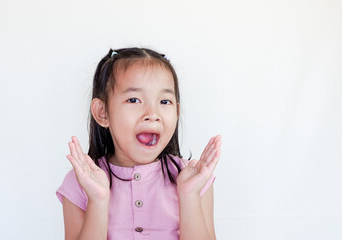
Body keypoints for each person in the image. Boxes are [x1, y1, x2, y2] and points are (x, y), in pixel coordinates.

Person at [56, 47, 222, 240]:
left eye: (164, 101)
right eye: (134, 100)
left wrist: (190, 196)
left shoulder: (196, 179)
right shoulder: (80, 182)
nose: (152, 114)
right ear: (103, 112)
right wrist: (98, 201)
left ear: (177, 112)